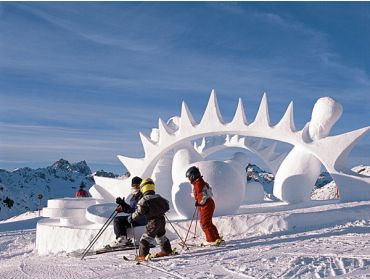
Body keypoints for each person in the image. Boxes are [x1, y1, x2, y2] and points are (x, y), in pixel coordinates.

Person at [128, 178, 173, 262]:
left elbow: (139, 212)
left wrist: (132, 217)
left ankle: (142, 255)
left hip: (152, 221)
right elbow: (167, 206)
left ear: (142, 188)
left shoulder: (144, 200)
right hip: (162, 219)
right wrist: (159, 210)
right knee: (161, 236)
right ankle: (166, 250)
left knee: (145, 238)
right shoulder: (159, 197)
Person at [185, 166, 222, 246]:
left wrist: (199, 202)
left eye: (189, 177)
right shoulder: (201, 182)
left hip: (206, 204)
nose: (189, 179)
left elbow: (203, 195)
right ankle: (216, 238)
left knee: (204, 223)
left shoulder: (198, 184)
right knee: (208, 222)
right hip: (209, 203)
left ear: (192, 176)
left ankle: (211, 240)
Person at [109, 176, 147, 248]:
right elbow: (132, 209)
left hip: (140, 218)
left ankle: (122, 239)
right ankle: (123, 238)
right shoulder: (135, 196)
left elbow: (139, 210)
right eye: (133, 185)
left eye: (137, 185)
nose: (134, 187)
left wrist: (124, 206)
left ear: (141, 186)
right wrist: (124, 206)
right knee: (119, 219)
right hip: (136, 217)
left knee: (118, 220)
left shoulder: (142, 196)